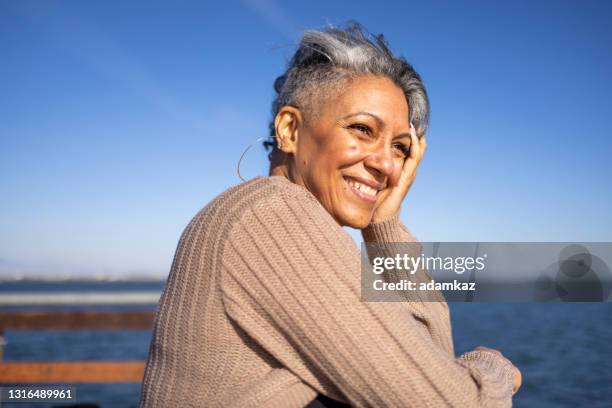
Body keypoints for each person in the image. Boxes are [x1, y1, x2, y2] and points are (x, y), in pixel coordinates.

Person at [138, 22, 521, 407]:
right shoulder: (271, 217)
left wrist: (385, 225)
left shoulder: (259, 212)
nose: (388, 164)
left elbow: (430, 362)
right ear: (289, 129)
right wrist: (492, 366)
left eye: (401, 148)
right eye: (362, 129)